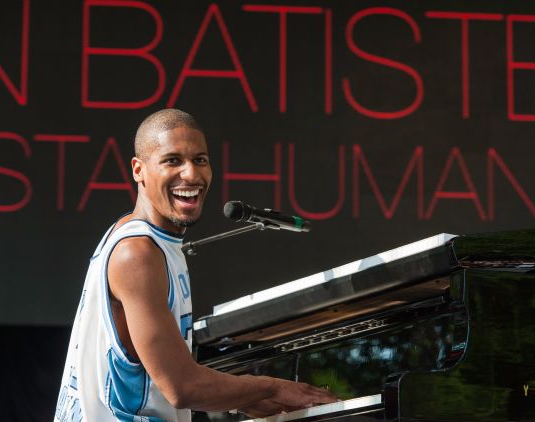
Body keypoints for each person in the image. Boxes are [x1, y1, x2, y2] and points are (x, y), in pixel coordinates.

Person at [54, 109, 336, 421]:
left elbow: (157, 379)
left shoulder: (143, 237)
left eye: (200, 160)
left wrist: (238, 399)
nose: (191, 174)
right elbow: (181, 387)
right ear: (139, 169)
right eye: (172, 160)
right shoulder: (137, 253)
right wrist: (271, 388)